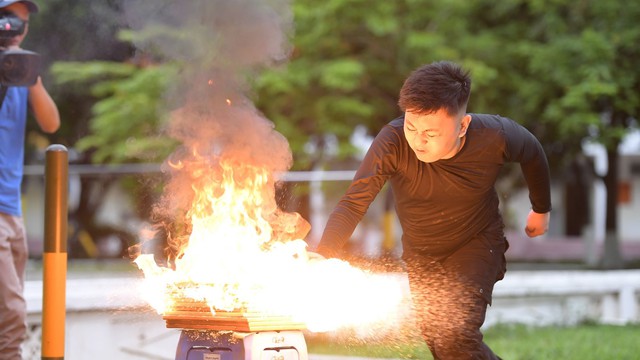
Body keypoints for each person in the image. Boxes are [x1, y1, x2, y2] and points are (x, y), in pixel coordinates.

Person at [315, 61, 551, 359]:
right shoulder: (392, 141)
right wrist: (325, 253)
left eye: (431, 132)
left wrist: (541, 209)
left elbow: (533, 153)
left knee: (457, 336)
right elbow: (354, 201)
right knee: (440, 345)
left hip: (476, 242)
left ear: (462, 125)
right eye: (411, 126)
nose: (418, 140)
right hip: (421, 253)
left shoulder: (494, 135)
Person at [0, 1, 60, 358]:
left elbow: (52, 124)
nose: (17, 26)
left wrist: (28, 71)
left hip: (12, 207)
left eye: (21, 21)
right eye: (8, 18)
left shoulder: (21, 70)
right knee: (12, 315)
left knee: (7, 311)